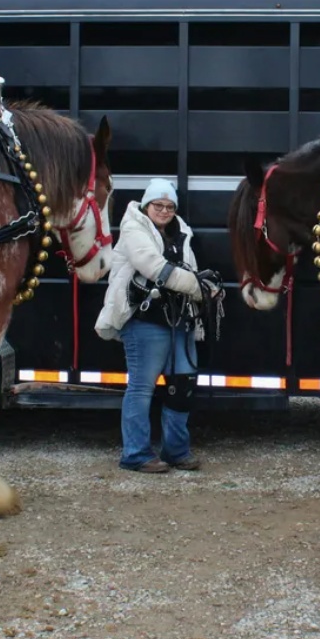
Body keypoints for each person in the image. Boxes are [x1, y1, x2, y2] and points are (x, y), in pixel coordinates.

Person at [95, 178, 221, 473]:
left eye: (169, 206)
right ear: (146, 205)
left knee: (183, 385)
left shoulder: (181, 232)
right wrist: (197, 287)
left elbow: (186, 269)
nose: (164, 210)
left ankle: (176, 451)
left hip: (179, 320)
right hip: (144, 320)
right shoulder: (133, 228)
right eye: (158, 205)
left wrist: (205, 285)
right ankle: (136, 454)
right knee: (142, 387)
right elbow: (151, 266)